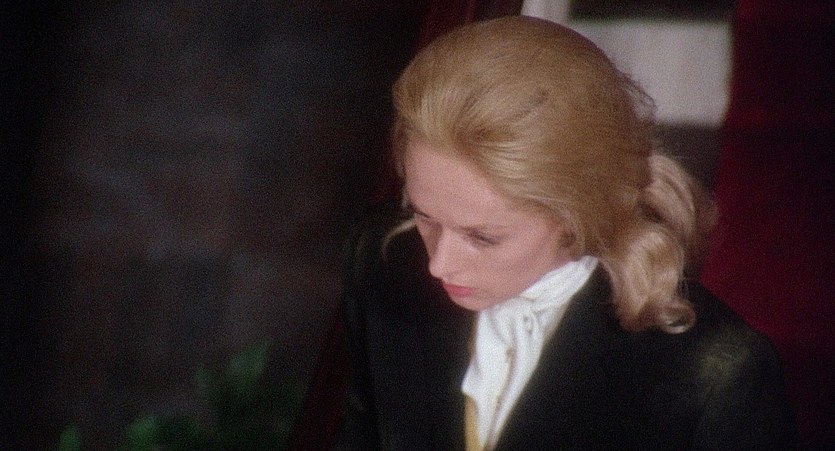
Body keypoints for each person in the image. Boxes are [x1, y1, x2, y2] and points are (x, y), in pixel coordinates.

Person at [335, 16, 796, 450]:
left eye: (483, 237)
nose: (439, 264)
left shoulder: (717, 375)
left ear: (578, 214)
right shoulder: (381, 261)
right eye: (424, 216)